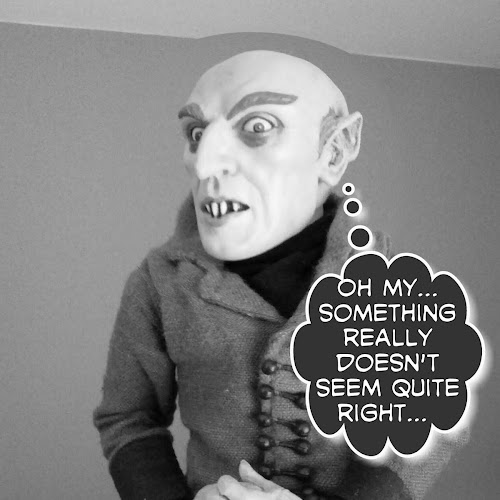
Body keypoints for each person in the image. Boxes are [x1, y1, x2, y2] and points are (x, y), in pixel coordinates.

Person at [93, 50, 466, 500]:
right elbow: (128, 417)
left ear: (334, 151)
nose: (205, 163)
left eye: (257, 127)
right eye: (196, 133)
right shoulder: (160, 284)